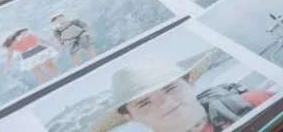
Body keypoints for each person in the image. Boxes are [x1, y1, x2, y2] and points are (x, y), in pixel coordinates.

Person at [104, 57, 272, 132]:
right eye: (144, 102)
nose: (164, 102)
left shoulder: (256, 102)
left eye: (169, 88)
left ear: (190, 82)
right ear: (129, 117)